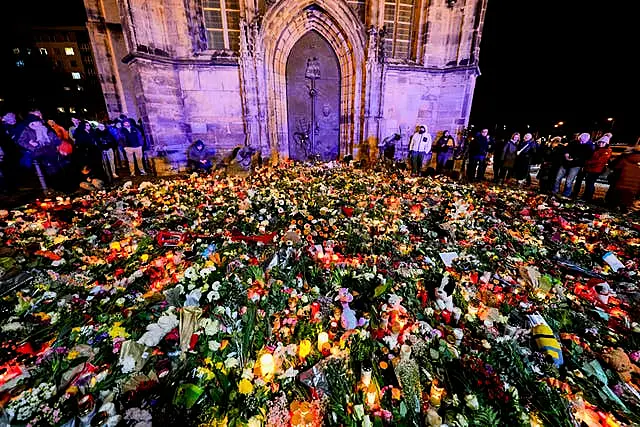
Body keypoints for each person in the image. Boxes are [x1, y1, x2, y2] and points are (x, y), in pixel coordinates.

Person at [553, 132, 593, 198]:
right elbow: (566, 149)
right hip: (565, 163)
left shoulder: (588, 147)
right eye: (580, 139)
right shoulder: (573, 143)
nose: (581, 141)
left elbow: (587, 157)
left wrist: (575, 159)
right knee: (557, 178)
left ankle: (566, 194)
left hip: (576, 165)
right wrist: (566, 154)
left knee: (569, 180)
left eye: (583, 140)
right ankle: (555, 191)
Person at [606, 141, 640, 210]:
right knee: (625, 200)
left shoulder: (624, 157)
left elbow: (613, 165)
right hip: (634, 186)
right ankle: (623, 208)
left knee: (613, 200)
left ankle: (612, 207)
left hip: (620, 182)